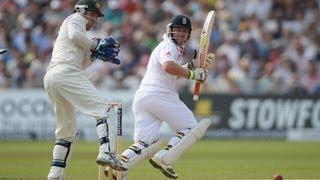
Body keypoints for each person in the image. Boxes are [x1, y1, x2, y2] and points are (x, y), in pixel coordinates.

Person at [111, 15, 215, 179]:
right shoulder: (169, 45)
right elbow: (168, 67)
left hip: (144, 98)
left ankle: (118, 167)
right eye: (178, 30)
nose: (181, 34)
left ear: (188, 34)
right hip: (159, 95)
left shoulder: (173, 49)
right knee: (190, 127)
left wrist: (196, 66)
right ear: (170, 30)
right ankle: (164, 158)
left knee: (146, 142)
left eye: (184, 31)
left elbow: (173, 71)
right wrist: (193, 74)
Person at [43, 0, 126, 179]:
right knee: (106, 111)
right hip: (65, 73)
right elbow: (74, 35)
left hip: (53, 77)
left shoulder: (81, 34)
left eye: (96, 16)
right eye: (92, 14)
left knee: (67, 131)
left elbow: (81, 63)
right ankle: (106, 152)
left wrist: (94, 55)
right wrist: (95, 45)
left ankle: (55, 174)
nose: (94, 19)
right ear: (81, 10)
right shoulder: (76, 18)